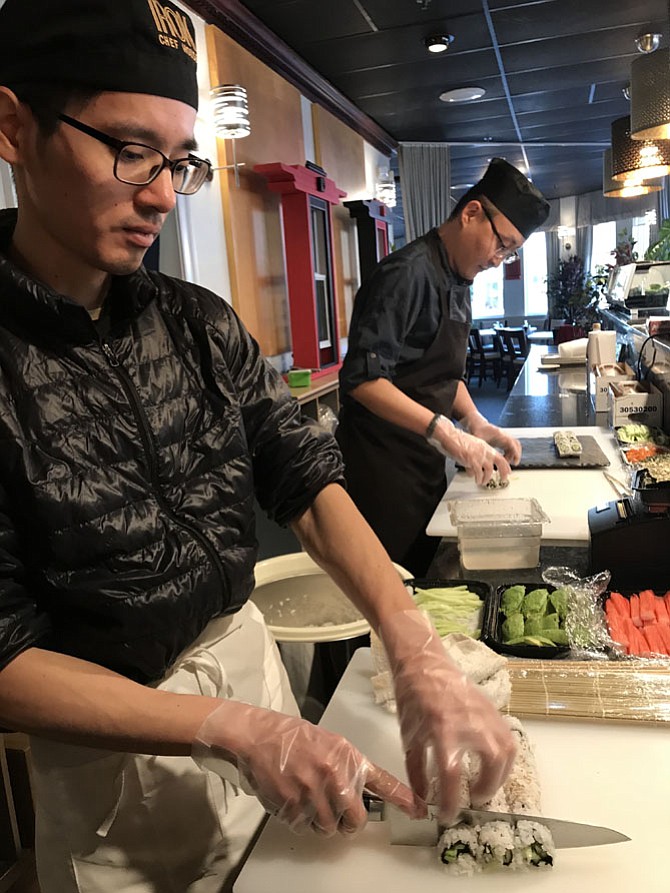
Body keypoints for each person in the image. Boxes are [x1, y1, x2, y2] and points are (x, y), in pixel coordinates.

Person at [0, 2, 516, 891]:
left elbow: (305, 478)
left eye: (178, 161)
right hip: (118, 764)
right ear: (13, 127)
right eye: (129, 150)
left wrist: (411, 640)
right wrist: (221, 728)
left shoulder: (197, 322)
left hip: (255, 687)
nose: (162, 192)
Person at [336, 159, 550, 577]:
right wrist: (445, 431)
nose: (498, 259)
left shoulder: (459, 279)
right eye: (501, 244)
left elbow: (440, 375)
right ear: (471, 213)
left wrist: (474, 420)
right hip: (380, 471)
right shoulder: (405, 274)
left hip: (425, 463)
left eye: (510, 253)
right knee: (386, 591)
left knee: (424, 578)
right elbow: (362, 379)